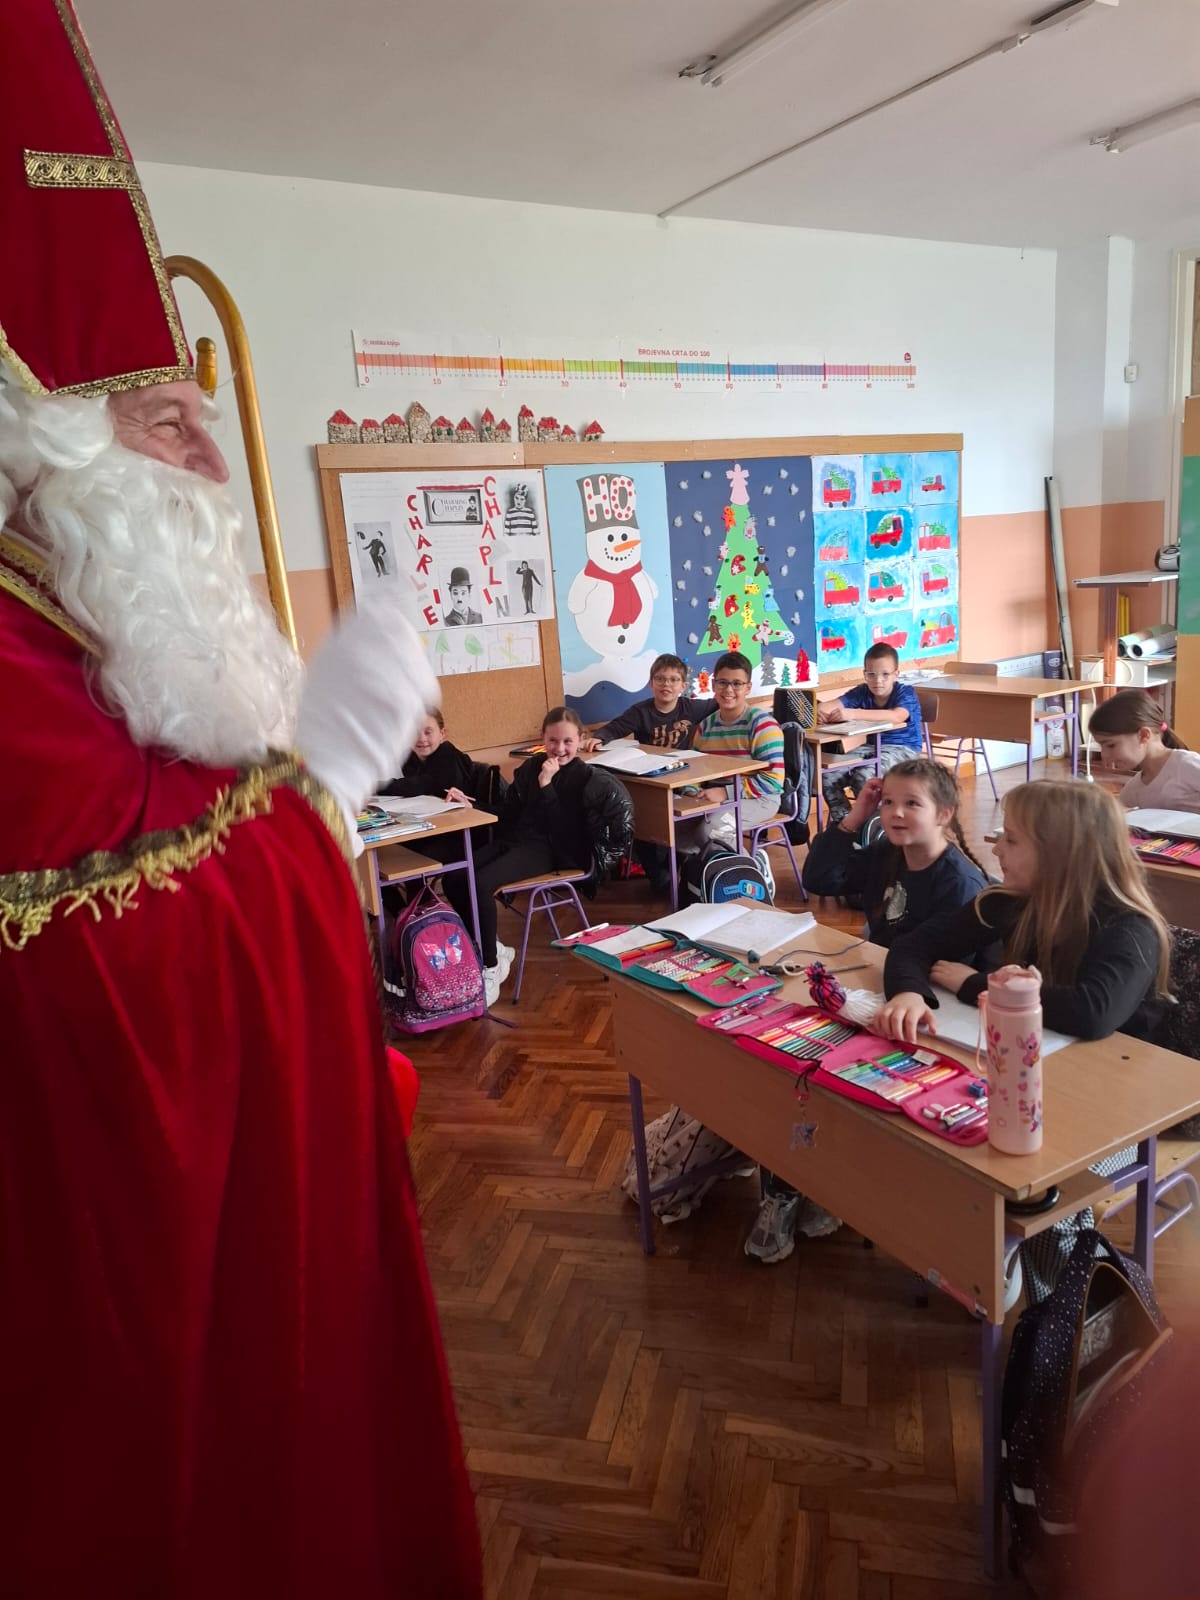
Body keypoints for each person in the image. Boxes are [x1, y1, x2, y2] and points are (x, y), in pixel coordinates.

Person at [0, 6, 480, 1592]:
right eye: (157, 417)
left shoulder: (94, 622)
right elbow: (113, 991)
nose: (205, 457)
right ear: (44, 439)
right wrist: (321, 776)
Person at [877, 780, 1172, 1303]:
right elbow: (914, 945)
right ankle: (981, 1254)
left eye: (1011, 839)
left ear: (1061, 853)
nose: (996, 849)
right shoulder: (1008, 902)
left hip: (1119, 1112)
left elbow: (1093, 1012)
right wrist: (908, 993)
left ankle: (1060, 1309)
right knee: (944, 1138)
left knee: (1041, 1189)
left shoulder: (1131, 928)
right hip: (1031, 1081)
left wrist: (975, 984)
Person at [747, 760, 990, 1264]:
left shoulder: (959, 882)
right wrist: (855, 817)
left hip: (930, 1013)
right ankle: (797, 1182)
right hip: (878, 986)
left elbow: (941, 967)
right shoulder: (887, 855)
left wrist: (895, 988)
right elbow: (821, 877)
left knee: (838, 1076)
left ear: (944, 813)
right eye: (888, 803)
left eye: (912, 804)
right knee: (793, 1063)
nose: (895, 813)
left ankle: (832, 1185)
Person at [442, 707, 633, 1005]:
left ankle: (490, 967)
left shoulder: (584, 778)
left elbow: (565, 831)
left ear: (581, 739)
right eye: (553, 741)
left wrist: (547, 787)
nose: (560, 749)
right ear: (542, 738)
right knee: (453, 877)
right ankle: (490, 945)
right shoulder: (530, 768)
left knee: (479, 884)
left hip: (554, 850)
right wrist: (472, 806)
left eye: (568, 741)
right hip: (518, 840)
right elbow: (509, 815)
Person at [678, 650, 784, 867]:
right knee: (674, 830)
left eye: (737, 684)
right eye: (723, 682)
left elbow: (773, 781)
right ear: (713, 685)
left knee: (712, 830)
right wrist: (690, 791)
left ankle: (753, 870)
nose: (728, 690)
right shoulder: (706, 726)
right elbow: (693, 770)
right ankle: (710, 876)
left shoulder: (762, 724)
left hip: (760, 798)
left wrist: (725, 792)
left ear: (748, 688)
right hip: (713, 796)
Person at [816, 641, 923, 823]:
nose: (877, 681)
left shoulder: (905, 692)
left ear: (896, 674)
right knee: (827, 777)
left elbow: (897, 715)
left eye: (885, 674)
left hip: (904, 749)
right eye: (871, 675)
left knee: (864, 778)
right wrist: (821, 711)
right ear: (864, 674)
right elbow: (829, 705)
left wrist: (853, 713)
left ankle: (875, 828)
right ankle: (847, 825)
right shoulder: (862, 692)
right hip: (870, 748)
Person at [1089, 687, 1200, 814]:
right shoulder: (1131, 792)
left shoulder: (1186, 765)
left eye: (1111, 745)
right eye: (1101, 746)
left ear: (1143, 735)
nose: (1104, 755)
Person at [581, 653, 715, 753]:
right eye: (660, 679)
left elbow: (718, 704)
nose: (666, 684)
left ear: (683, 686)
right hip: (650, 769)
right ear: (651, 683)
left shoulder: (691, 708)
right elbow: (616, 727)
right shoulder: (640, 712)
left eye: (674, 680)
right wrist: (600, 738)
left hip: (682, 767)